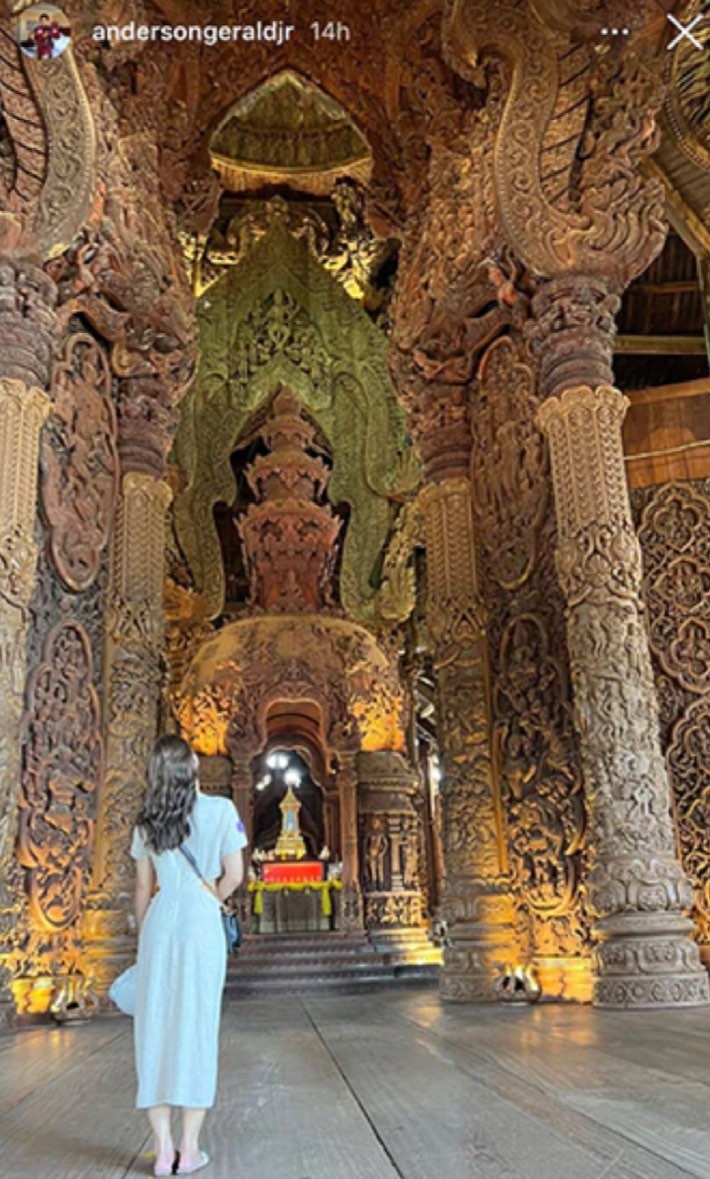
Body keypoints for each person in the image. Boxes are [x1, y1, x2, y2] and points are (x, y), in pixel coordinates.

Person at [131, 734, 247, 1177]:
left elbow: (143, 888)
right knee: (196, 1027)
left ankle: (162, 1150)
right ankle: (189, 1148)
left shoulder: (146, 823)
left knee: (154, 1029)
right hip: (201, 924)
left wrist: (145, 939)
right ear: (193, 768)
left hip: (160, 923)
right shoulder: (222, 811)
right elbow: (234, 875)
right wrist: (210, 897)